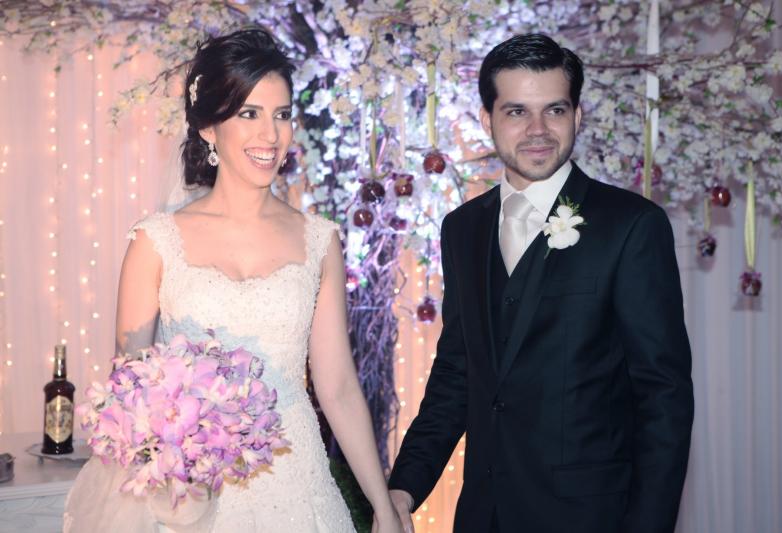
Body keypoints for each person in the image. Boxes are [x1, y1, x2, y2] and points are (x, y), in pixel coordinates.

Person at [63, 28, 404, 533]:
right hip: (191, 492)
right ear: (208, 128)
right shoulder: (155, 242)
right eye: (249, 114)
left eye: (282, 114)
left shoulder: (320, 240)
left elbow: (337, 388)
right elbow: (133, 394)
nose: (271, 135)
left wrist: (383, 507)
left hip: (296, 479)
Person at [385, 33, 694, 533]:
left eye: (554, 110)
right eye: (516, 112)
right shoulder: (462, 229)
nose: (538, 130)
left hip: (591, 518)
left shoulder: (632, 225)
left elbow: (664, 396)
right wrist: (404, 489)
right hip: (483, 516)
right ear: (486, 119)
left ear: (577, 116)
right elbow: (457, 373)